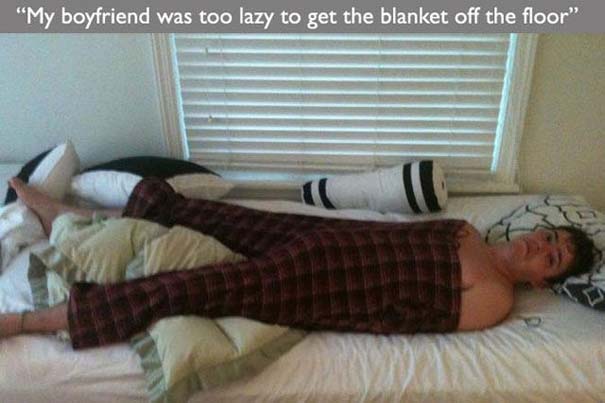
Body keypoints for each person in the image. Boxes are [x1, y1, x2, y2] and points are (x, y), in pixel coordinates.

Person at [0, 177, 595, 349]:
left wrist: (334, 309)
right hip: (323, 237)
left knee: (189, 288)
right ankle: (67, 215)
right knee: (194, 211)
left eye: (553, 259)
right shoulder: (467, 230)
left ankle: (31, 321)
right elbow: (388, 234)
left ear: (546, 281)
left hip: (324, 286)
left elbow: (405, 315)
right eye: (549, 238)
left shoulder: (495, 298)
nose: (540, 248)